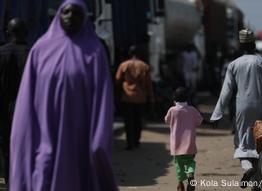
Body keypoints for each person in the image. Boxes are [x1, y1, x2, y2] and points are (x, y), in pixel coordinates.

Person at [10, 0, 117, 190]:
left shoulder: (94, 52)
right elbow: (26, 101)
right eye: (66, 12)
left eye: (76, 13)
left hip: (81, 144)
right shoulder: (40, 50)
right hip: (45, 143)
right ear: (58, 15)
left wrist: (98, 145)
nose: (70, 17)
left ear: (84, 18)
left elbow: (102, 102)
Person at [210, 29, 262, 189]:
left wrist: (216, 115)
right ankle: (257, 182)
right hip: (259, 107)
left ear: (240, 46)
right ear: (254, 44)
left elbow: (226, 91)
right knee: (259, 144)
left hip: (241, 108)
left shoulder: (233, 65)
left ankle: (249, 169)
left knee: (242, 145)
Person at [0, 17, 28, 184]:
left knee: (5, 147)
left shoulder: (1, 53)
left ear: (7, 33)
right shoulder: (33, 54)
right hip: (25, 110)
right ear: (26, 32)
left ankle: (10, 181)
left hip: (3, 108)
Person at [115, 45, 154, 150]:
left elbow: (117, 80)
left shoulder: (124, 65)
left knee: (128, 121)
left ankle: (129, 143)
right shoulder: (144, 66)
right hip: (141, 98)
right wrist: (151, 97)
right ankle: (136, 141)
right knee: (138, 120)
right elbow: (148, 84)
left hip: (127, 98)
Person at [164, 87, 203, 191]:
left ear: (174, 98)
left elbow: (166, 121)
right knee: (190, 161)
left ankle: (180, 183)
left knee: (179, 165)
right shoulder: (192, 110)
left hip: (176, 146)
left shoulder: (172, 110)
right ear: (188, 98)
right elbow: (200, 121)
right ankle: (190, 174)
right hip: (190, 144)